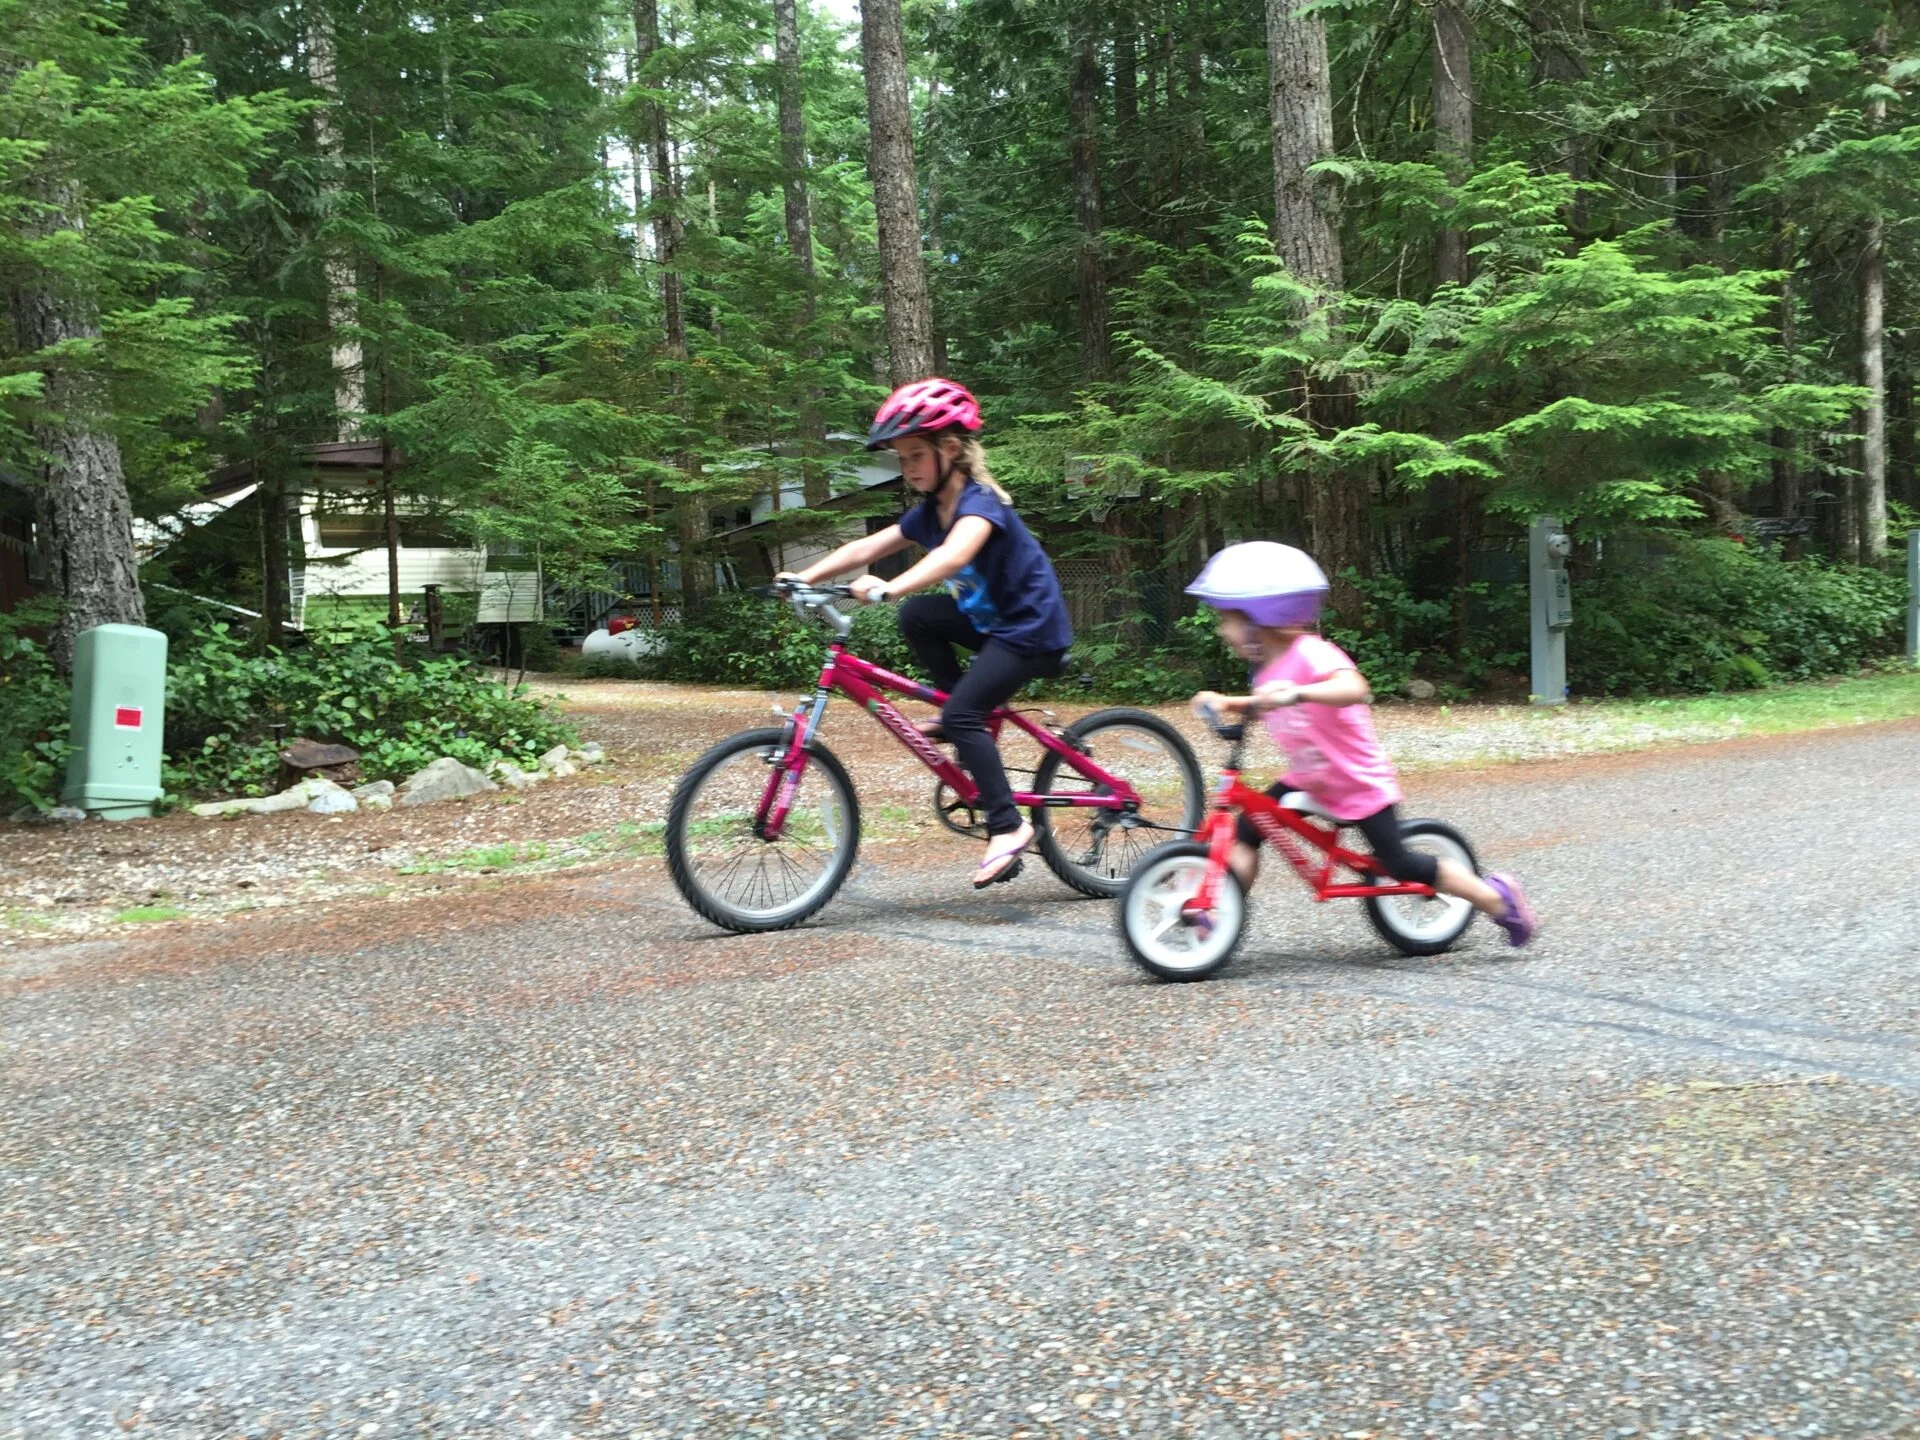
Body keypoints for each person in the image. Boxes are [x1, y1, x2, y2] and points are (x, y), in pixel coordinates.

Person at [781, 378, 1073, 889]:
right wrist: (803, 578)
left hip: (1031, 632)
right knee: (919, 618)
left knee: (961, 713)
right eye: (902, 458)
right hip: (992, 626)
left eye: (916, 455)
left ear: (951, 450)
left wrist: (891, 587)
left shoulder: (981, 505)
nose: (909, 467)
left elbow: (953, 556)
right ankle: (962, 707)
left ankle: (1006, 826)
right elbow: (866, 547)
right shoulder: (929, 511)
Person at [1186, 541, 1536, 947]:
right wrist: (1228, 702)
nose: (1221, 630)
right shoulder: (1266, 673)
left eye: (1225, 620)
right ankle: (1216, 916)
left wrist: (1299, 693)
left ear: (1259, 619)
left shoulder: (1312, 653)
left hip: (1358, 783)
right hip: (1310, 779)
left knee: (1398, 862)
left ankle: (1497, 898)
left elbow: (1353, 687)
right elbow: (1268, 704)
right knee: (1248, 830)